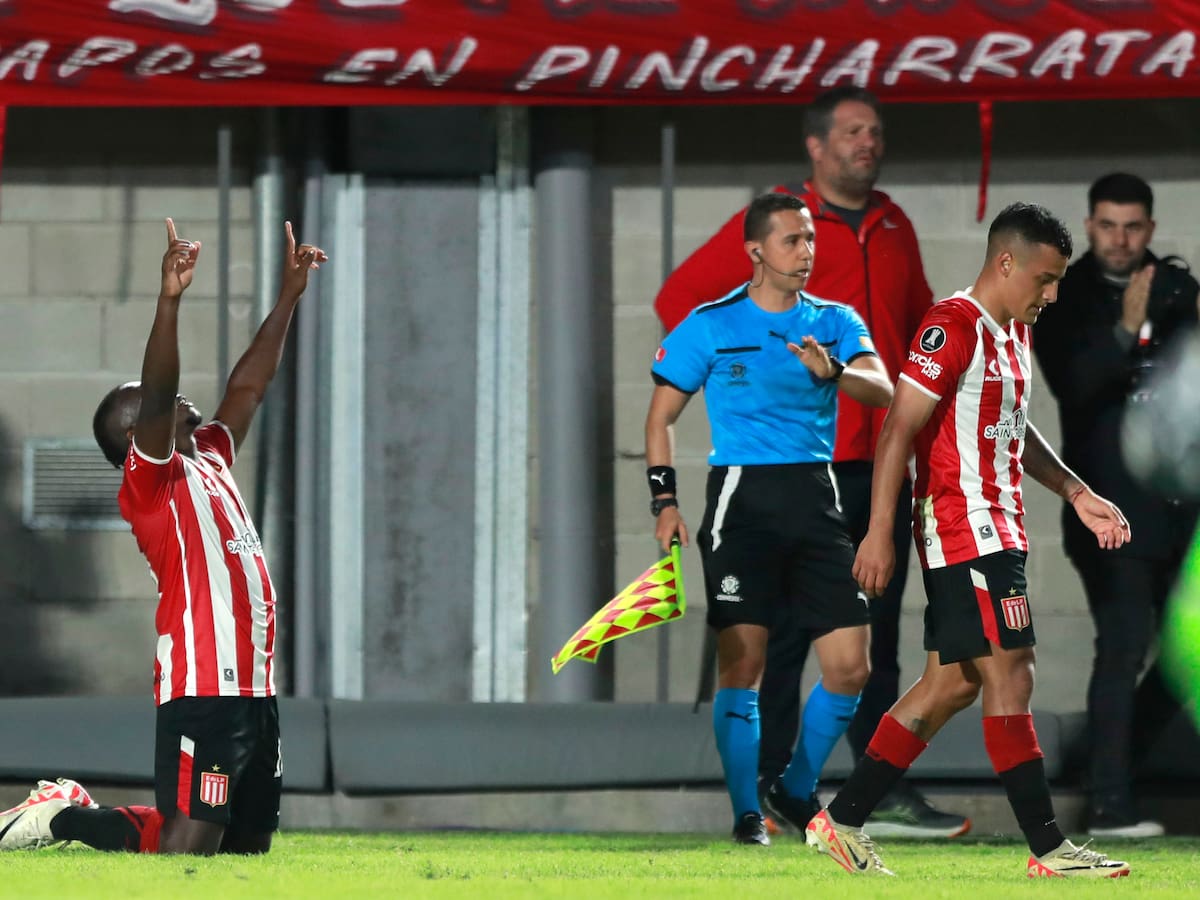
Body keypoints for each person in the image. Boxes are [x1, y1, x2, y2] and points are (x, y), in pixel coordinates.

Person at [654, 86, 966, 838]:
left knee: (872, 640)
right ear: (817, 146)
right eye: (854, 131)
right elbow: (682, 305)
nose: (869, 142)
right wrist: (748, 382)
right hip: (775, 476)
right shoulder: (775, 221)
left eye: (877, 132)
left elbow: (917, 337)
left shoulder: (893, 225)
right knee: (773, 645)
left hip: (871, 467)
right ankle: (764, 792)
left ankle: (873, 790)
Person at [803, 202, 1132, 878]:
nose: (1051, 295)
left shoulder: (1013, 331)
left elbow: (1014, 428)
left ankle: (839, 821)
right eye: (1043, 279)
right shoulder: (950, 327)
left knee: (948, 685)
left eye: (1058, 282)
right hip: (963, 525)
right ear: (1004, 262)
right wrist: (879, 534)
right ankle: (1048, 848)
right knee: (1013, 671)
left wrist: (1076, 491)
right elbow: (897, 427)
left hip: (998, 525)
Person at [0, 218, 327, 855]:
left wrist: (288, 297)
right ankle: (62, 818)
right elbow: (156, 394)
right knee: (185, 849)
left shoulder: (207, 454)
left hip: (253, 683)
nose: (179, 401)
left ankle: (77, 814)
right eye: (159, 403)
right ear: (134, 437)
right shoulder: (149, 483)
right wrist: (170, 299)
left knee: (246, 848)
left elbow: (250, 387)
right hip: (203, 680)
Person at [645, 191, 894, 845]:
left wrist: (834, 371)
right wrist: (664, 503)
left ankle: (793, 784)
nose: (807, 251)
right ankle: (746, 811)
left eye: (811, 239)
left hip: (816, 498)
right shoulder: (711, 323)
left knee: (851, 667)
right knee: (743, 665)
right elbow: (660, 418)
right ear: (756, 250)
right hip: (740, 504)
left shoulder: (835, 321)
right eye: (793, 240)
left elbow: (885, 388)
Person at [1032, 173, 1199, 838]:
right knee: (1124, 643)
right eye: (1108, 225)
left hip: (1179, 508)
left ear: (1150, 230)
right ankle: (1108, 804)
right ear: (1090, 225)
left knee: (1184, 659)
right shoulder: (1063, 297)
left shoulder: (1180, 289)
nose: (1121, 239)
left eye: (1133, 227)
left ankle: (1107, 761)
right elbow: (1073, 385)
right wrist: (1128, 325)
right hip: (1106, 509)